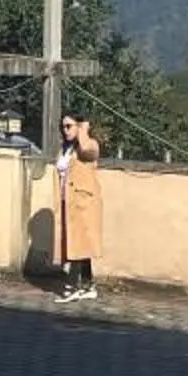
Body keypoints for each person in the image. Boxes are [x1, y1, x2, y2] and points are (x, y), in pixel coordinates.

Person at [56, 114, 103, 302]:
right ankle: (89, 285)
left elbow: (88, 152)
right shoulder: (66, 149)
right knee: (81, 245)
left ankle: (71, 287)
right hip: (68, 201)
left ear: (79, 126)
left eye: (69, 126)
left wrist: (83, 130)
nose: (65, 130)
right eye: (63, 127)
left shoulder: (89, 144)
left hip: (83, 203)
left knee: (77, 244)